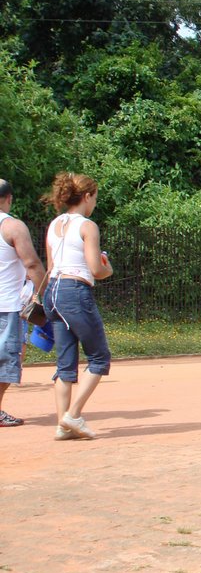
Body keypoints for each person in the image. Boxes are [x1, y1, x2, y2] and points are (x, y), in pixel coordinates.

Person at [41, 173, 113, 441]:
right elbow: (95, 268)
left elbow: (50, 268)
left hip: (53, 292)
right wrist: (109, 268)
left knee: (65, 365)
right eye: (94, 197)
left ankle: (62, 424)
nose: (94, 203)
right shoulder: (87, 226)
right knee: (99, 357)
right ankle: (73, 415)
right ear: (86, 197)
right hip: (75, 292)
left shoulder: (54, 224)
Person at [0, 180, 46, 427]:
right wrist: (44, 294)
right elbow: (32, 264)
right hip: (6, 306)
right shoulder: (13, 227)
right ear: (9, 198)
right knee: (7, 360)